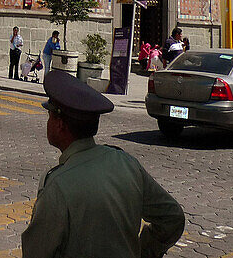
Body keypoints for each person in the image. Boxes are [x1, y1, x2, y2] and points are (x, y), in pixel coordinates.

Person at [20, 69, 185, 258]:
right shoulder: (126, 163)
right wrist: (143, 250)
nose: (48, 122)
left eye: (50, 116)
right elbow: (172, 218)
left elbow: (36, 252)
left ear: (60, 124)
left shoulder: (57, 185)